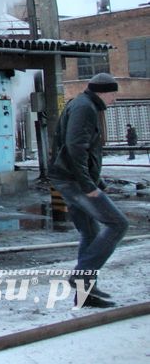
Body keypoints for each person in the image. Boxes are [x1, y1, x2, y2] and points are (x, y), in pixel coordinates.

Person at [48, 72, 129, 308]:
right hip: (73, 180)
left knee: (91, 233)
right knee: (118, 224)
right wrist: (88, 185)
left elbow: (81, 150)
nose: (114, 99)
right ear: (103, 92)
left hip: (69, 178)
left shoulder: (82, 104)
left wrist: (97, 181)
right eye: (113, 94)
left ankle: (85, 295)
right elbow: (75, 147)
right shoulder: (86, 108)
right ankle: (82, 275)